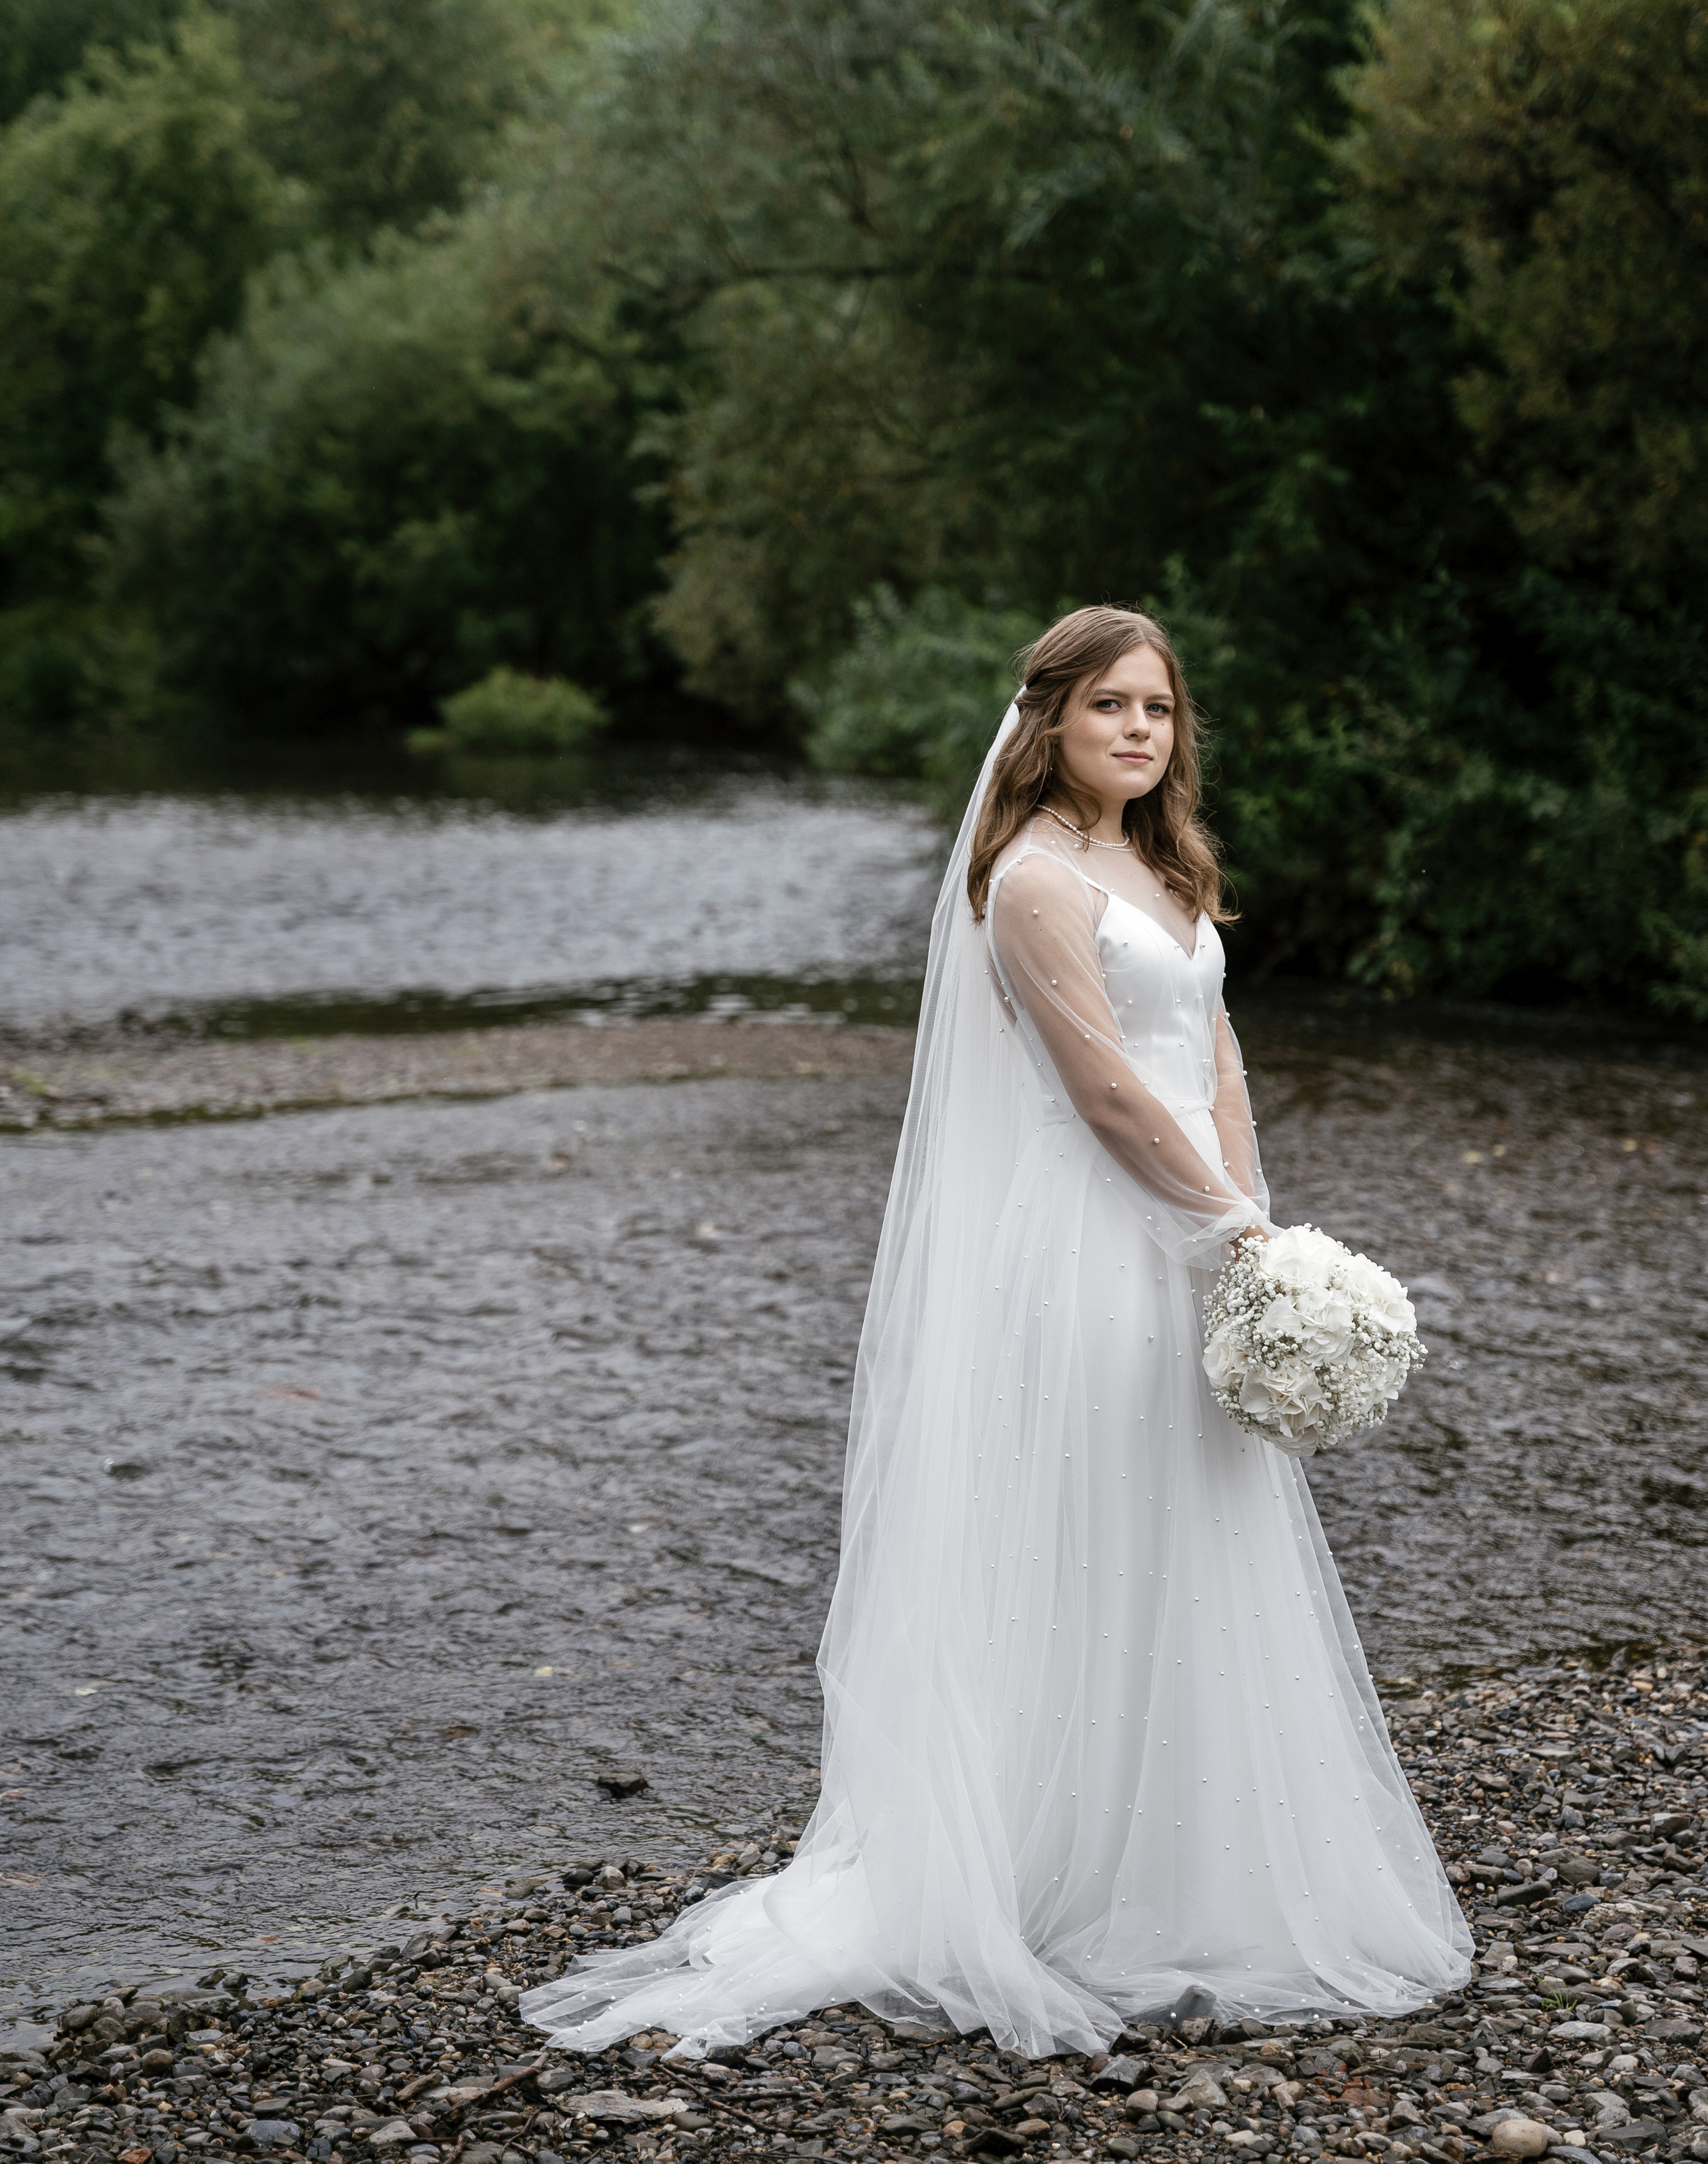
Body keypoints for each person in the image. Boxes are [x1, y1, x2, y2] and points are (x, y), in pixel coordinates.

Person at [522, 604, 1471, 2059]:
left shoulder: (1162, 864)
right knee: (1093, 1533)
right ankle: (1064, 1878)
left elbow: (1212, 1054)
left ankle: (1196, 1863)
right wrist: (1224, 1233)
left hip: (1200, 1222)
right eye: (1110, 709)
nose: (1139, 731)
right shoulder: (1031, 879)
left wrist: (1253, 1223)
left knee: (1193, 1526)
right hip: (1093, 1242)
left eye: (1157, 709)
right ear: (1050, 723)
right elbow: (1100, 1093)